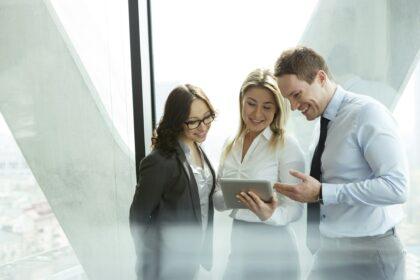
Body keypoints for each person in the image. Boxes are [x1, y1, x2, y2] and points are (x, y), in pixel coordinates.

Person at [273, 46, 408, 280]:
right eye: (288, 100)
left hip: (370, 254)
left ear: (321, 78)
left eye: (297, 95)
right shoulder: (322, 124)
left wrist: (323, 192)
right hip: (330, 252)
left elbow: (397, 187)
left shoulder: (368, 113)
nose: (294, 107)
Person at [214, 68, 305, 280]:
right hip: (239, 238)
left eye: (266, 107)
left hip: (274, 243)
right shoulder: (230, 144)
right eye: (251, 103)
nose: (257, 114)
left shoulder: (287, 145)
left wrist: (270, 214)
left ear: (277, 110)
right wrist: (231, 197)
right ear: (241, 101)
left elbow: (297, 208)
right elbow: (217, 201)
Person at [129, 84, 216, 280]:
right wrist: (152, 261)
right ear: (177, 121)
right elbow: (138, 217)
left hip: (192, 261)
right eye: (193, 122)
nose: (203, 127)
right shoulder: (159, 161)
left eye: (207, 117)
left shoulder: (196, 147)